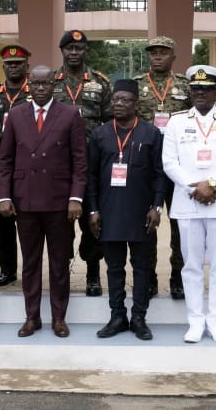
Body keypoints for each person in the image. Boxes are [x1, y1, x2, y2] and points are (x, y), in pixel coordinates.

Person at [0, 64, 88, 339]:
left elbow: (80, 160)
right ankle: (32, 317)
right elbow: (5, 160)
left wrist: (76, 197)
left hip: (59, 201)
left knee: (59, 263)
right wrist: (4, 195)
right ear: (28, 85)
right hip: (25, 201)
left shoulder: (70, 114)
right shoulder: (15, 115)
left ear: (53, 85)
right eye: (34, 84)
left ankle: (59, 317)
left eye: (45, 84)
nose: (39, 88)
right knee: (30, 263)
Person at [162, 65, 216, 344]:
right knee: (191, 265)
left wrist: (212, 183)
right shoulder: (176, 121)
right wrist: (195, 187)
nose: (199, 93)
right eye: (195, 89)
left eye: (206, 89)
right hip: (188, 202)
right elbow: (169, 163)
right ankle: (195, 321)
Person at [87, 79, 169, 341]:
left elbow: (160, 174)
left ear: (137, 104)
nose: (118, 104)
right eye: (115, 100)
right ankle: (117, 316)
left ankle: (139, 317)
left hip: (141, 212)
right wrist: (93, 210)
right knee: (114, 267)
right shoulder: (100, 134)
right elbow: (90, 176)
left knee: (142, 266)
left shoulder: (150, 134)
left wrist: (157, 206)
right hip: (109, 211)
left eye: (124, 100)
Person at [52, 29, 111, 297]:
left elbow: (111, 122)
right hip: (58, 166)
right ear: (62, 50)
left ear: (86, 50)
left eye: (79, 48)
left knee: (92, 220)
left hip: (92, 164)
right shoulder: (49, 82)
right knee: (60, 224)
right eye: (69, 48)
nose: (74, 53)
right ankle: (61, 273)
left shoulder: (100, 83)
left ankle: (92, 274)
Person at [134, 35, 190, 300]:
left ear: (173, 57)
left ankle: (178, 277)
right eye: (153, 52)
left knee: (180, 223)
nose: (157, 56)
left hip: (179, 165)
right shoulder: (137, 86)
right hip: (148, 165)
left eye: (163, 52)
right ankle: (149, 277)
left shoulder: (186, 86)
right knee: (148, 223)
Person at [0, 43, 32, 287]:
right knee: (2, 224)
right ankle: (7, 269)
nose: (13, 67)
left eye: (18, 63)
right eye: (9, 64)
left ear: (27, 66)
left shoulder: (35, 94)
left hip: (28, 167)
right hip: (1, 166)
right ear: (3, 67)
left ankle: (30, 270)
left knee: (27, 223)